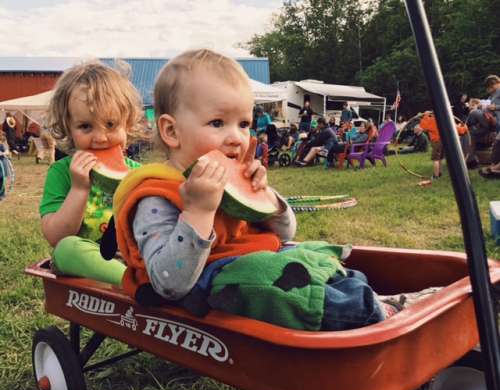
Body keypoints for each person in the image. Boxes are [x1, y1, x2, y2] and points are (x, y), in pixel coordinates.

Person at [112, 48, 405, 331]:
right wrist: (198, 211)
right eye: (218, 123)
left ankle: (372, 300)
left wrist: (267, 199)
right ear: (171, 131)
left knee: (307, 254)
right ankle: (368, 313)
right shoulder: (155, 196)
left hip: (256, 261)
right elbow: (169, 283)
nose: (238, 138)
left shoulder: (231, 173)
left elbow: (285, 233)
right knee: (270, 279)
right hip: (215, 283)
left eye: (244, 124)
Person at [39, 61, 144, 285]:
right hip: (82, 261)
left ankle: (140, 281)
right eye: (86, 126)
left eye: (110, 124)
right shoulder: (61, 173)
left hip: (130, 259)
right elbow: (56, 236)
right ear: (68, 128)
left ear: (128, 124)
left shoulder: (140, 175)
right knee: (66, 248)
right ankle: (132, 285)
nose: (100, 138)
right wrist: (79, 189)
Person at [479, 75, 500, 178]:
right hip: (498, 123)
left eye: (490, 87)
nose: (489, 90)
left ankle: (494, 169)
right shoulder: (493, 95)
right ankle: (493, 168)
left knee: (498, 143)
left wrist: (495, 107)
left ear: (494, 83)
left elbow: (495, 106)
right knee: (497, 144)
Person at [466, 98, 492, 169]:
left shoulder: (474, 112)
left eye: (473, 105)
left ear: (477, 105)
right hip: (485, 133)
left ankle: (470, 162)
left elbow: (467, 124)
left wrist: (473, 131)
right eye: (470, 105)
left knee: (469, 143)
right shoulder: (481, 111)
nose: (470, 106)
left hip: (479, 134)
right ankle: (472, 162)